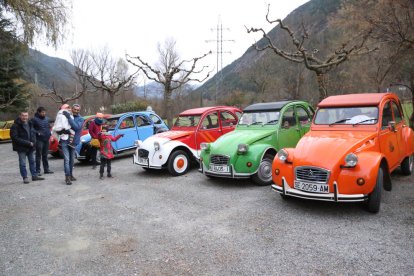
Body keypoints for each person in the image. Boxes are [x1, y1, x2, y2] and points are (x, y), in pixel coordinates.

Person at [10, 111, 45, 184]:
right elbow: (15, 138)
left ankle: (34, 176)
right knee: (22, 163)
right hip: (21, 148)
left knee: (32, 162)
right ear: (20, 116)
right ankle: (25, 177)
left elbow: (32, 134)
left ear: (28, 116)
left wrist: (34, 142)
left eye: (26, 116)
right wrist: (28, 143)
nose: (24, 117)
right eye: (23, 115)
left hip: (30, 147)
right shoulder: (15, 126)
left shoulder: (30, 123)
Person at [60, 104, 84, 185]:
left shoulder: (81, 119)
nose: (76, 111)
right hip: (64, 140)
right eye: (75, 109)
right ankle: (67, 177)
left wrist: (69, 118)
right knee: (67, 160)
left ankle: (70, 175)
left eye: (78, 110)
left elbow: (77, 127)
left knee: (72, 160)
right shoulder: (66, 115)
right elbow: (59, 126)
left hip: (73, 142)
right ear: (72, 109)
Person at [31, 107, 53, 175]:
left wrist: (50, 134)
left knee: (45, 155)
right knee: (38, 155)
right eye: (42, 112)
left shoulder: (47, 119)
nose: (44, 113)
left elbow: (49, 127)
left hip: (46, 139)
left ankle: (46, 169)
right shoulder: (34, 119)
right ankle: (37, 170)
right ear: (38, 112)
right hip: (39, 140)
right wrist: (37, 132)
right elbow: (31, 128)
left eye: (44, 112)